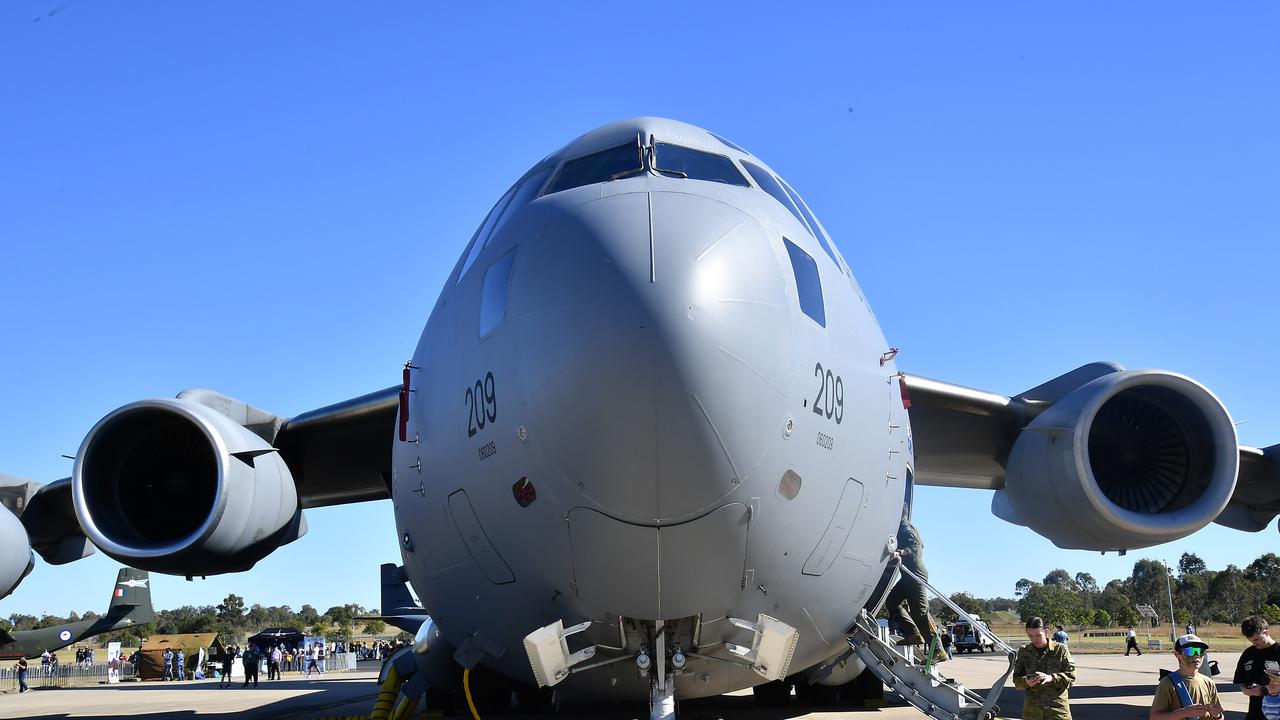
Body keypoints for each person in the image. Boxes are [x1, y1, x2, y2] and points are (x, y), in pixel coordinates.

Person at [886, 507, 946, 663]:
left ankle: (938, 651)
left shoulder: (907, 527)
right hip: (907, 577)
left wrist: (900, 553)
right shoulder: (900, 529)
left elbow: (915, 546)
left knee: (920, 613)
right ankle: (913, 634)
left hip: (916, 576)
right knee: (892, 602)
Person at [1013, 616, 1076, 720]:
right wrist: (1026, 682)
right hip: (1032, 713)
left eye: (1038, 635)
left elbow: (1071, 676)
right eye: (1030, 636)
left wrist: (1052, 678)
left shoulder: (1060, 650)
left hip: (1056, 711)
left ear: (1046, 632)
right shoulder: (1024, 652)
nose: (1034, 639)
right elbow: (1016, 680)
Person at [1150, 633, 1224, 720]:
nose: (1197, 655)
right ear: (1177, 654)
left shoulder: (1208, 682)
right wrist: (1185, 713)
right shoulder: (1168, 683)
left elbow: (1219, 714)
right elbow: (1154, 717)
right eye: (1191, 651)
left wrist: (1218, 716)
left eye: (1201, 651)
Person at [1234, 615, 1280, 720]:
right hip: (1255, 713)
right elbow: (1241, 681)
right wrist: (1246, 690)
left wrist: (1263, 690)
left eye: (1256, 639)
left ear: (1266, 632)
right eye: (1250, 640)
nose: (1254, 643)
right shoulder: (1248, 654)